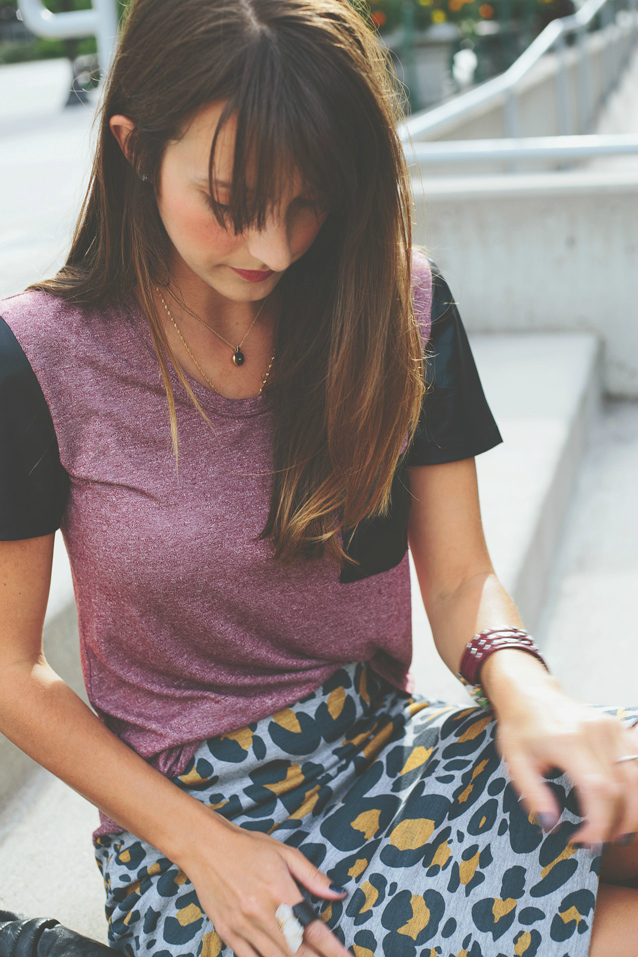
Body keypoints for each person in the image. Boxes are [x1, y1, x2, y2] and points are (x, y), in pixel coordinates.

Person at [1, 2, 638, 956]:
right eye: (230, 200)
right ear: (134, 148)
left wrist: (525, 685)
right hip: (190, 830)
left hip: (392, 750)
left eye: (307, 201)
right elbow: (11, 668)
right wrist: (204, 846)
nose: (272, 247)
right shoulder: (40, 356)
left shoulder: (395, 303)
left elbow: (460, 579)